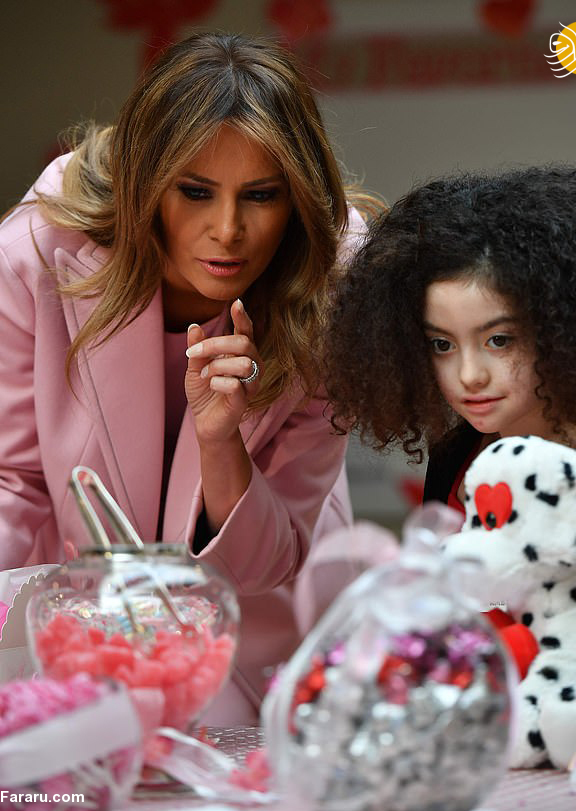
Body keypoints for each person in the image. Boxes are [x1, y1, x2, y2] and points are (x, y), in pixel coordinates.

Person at [0, 32, 380, 723]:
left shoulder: (336, 286)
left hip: (264, 635)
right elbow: (14, 482)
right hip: (88, 627)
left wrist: (220, 440)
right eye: (196, 192)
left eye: (261, 195)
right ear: (145, 183)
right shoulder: (37, 249)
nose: (227, 230)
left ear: (296, 198)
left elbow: (270, 560)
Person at [324, 166, 576, 594]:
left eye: (499, 340)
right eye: (442, 345)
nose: (469, 375)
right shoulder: (455, 457)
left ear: (565, 326)